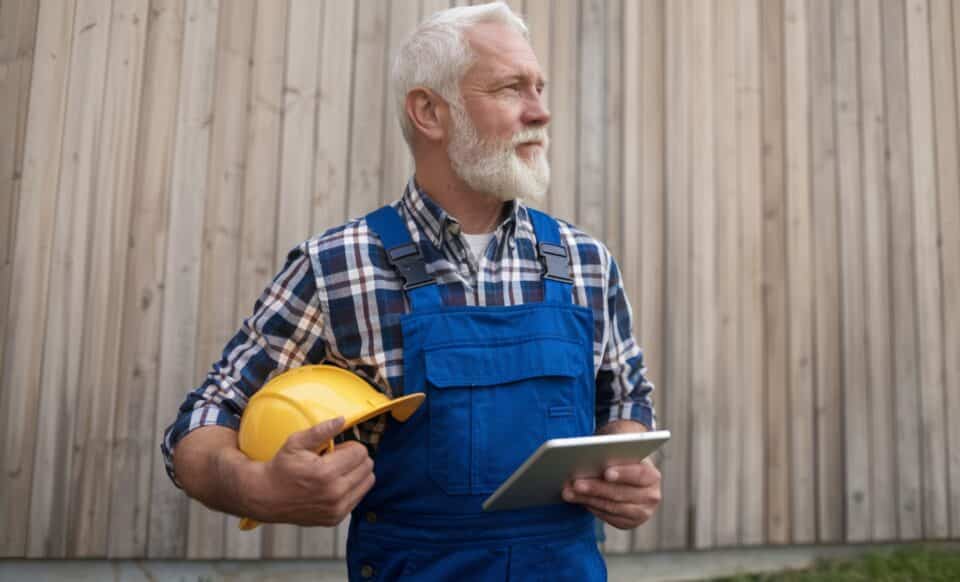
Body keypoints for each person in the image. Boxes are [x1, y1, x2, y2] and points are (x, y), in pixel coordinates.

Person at [161, 2, 661, 579]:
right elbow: (199, 426)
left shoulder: (584, 263)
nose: (541, 112)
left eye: (540, 88)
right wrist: (256, 487)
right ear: (429, 111)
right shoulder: (336, 267)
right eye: (511, 88)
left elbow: (625, 405)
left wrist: (627, 473)